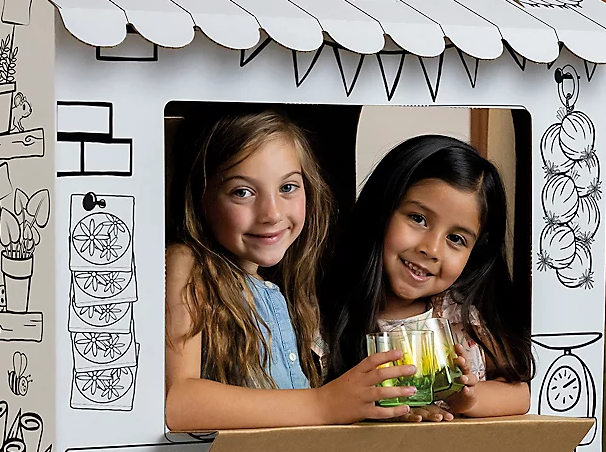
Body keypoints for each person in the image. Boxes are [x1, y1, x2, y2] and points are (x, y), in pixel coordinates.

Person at [165, 110, 417, 430]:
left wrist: (372, 407)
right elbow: (180, 403)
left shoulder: (281, 289)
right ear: (201, 197)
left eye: (287, 188)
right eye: (242, 192)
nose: (271, 213)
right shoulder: (186, 263)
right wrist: (325, 403)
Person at [325, 135, 533, 419]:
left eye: (456, 238)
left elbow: (519, 394)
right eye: (418, 219)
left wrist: (469, 401)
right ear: (382, 209)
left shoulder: (462, 319)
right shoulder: (324, 315)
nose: (431, 249)